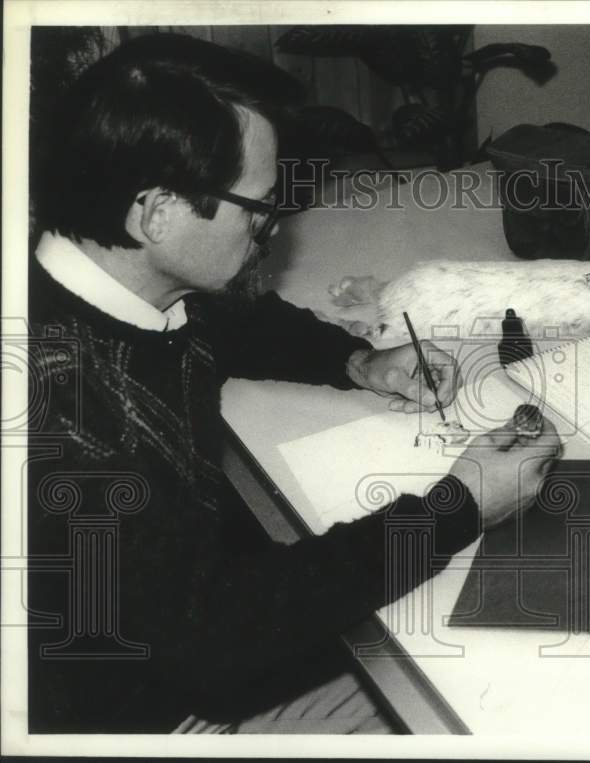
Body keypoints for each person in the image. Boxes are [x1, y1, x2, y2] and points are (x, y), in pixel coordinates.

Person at [27, 32, 561, 733]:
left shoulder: (112, 273)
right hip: (149, 718)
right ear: (156, 212)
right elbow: (217, 636)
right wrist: (457, 508)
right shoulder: (65, 421)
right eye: (257, 209)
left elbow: (224, 318)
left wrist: (355, 360)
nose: (271, 232)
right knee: (510, 706)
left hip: (184, 635)